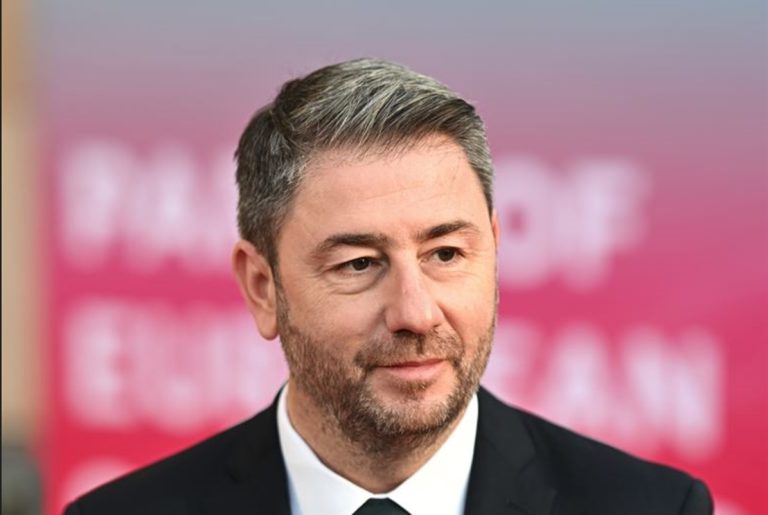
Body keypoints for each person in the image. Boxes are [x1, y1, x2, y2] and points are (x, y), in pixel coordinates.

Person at [64, 58, 712, 515]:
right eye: (359, 264)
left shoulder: (653, 508)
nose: (415, 312)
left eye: (446, 253)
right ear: (262, 287)